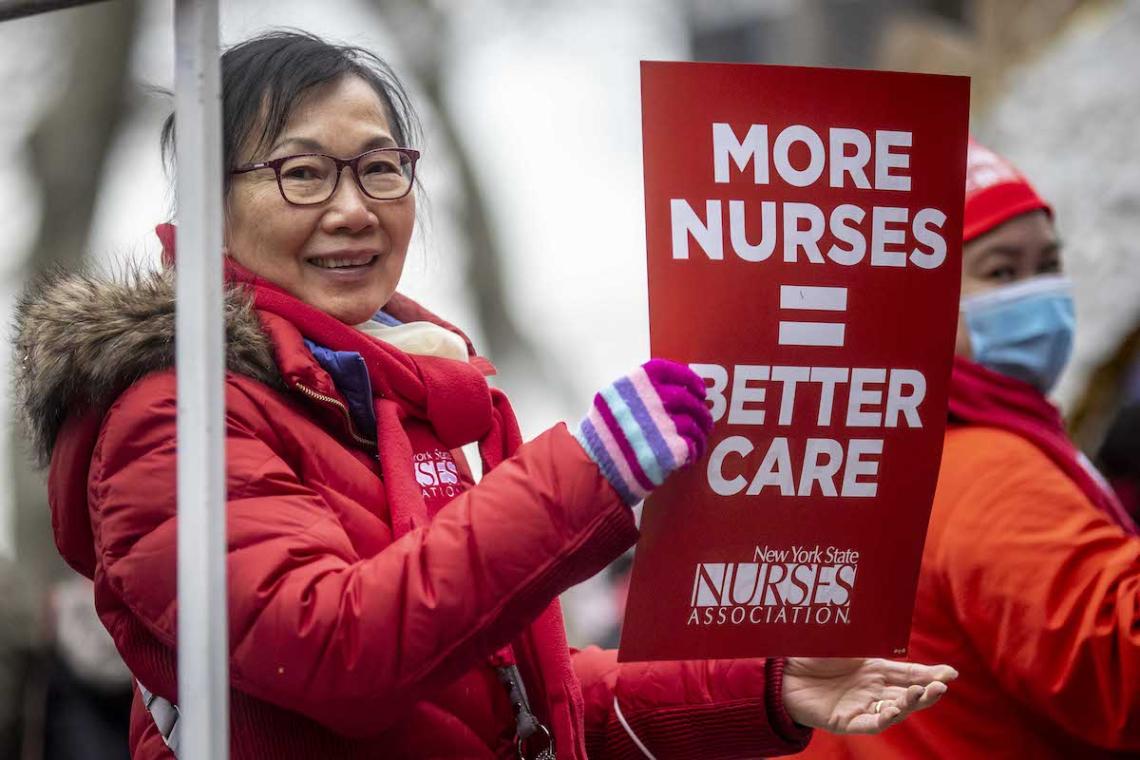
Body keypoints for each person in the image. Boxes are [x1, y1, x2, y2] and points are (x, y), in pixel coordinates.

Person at [13, 32, 955, 760]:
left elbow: (514, 695)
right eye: (301, 173)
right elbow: (339, 652)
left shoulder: (408, 389)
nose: (353, 208)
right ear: (208, 211)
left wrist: (768, 688)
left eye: (381, 167)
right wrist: (590, 469)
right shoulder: (170, 413)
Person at [798, 140, 1140, 759]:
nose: (1040, 298)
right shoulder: (989, 471)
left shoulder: (871, 464)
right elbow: (1120, 669)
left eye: (1048, 266)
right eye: (1001, 272)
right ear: (915, 301)